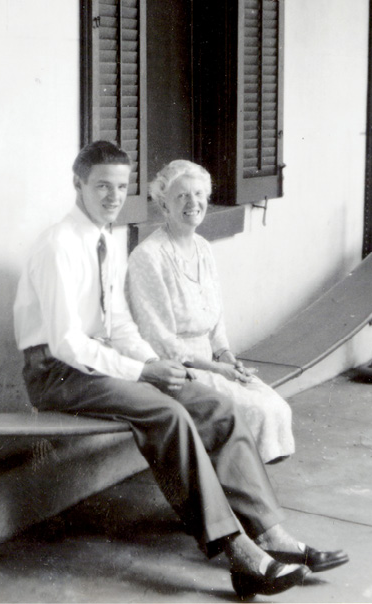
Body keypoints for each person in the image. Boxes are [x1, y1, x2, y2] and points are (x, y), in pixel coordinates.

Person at [13, 141, 348, 598]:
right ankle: (237, 551)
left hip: (97, 360)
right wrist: (142, 374)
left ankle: (270, 534)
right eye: (102, 187)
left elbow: (120, 325)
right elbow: (67, 344)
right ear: (78, 185)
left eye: (121, 187)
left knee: (215, 405)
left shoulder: (106, 239)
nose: (113, 197)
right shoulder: (59, 245)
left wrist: (153, 363)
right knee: (166, 414)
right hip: (56, 372)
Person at [126, 160, 294, 464]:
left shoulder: (202, 247)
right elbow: (159, 341)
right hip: (175, 372)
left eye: (199, 194)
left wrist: (226, 355)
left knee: (276, 407)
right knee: (257, 411)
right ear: (164, 204)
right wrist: (216, 369)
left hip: (211, 363)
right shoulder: (148, 257)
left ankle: (244, 485)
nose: (193, 203)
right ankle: (236, 489)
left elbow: (215, 317)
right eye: (182, 196)